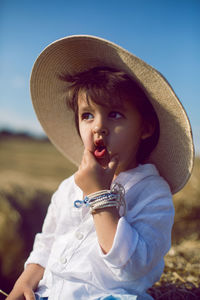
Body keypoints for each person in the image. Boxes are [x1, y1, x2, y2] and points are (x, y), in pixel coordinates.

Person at [6, 35, 194, 300]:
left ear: (146, 128)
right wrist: (24, 282)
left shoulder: (153, 193)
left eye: (115, 114)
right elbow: (47, 242)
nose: (98, 127)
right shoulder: (69, 187)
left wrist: (99, 196)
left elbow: (132, 268)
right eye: (87, 115)